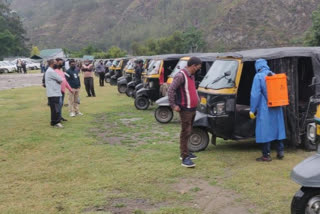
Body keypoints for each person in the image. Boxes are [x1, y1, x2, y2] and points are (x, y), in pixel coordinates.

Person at [168, 57, 202, 168]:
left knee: (189, 131)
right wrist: (173, 105)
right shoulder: (181, 75)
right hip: (185, 109)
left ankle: (186, 152)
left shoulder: (191, 75)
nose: (198, 69)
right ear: (193, 66)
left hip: (192, 109)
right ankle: (184, 158)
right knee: (185, 132)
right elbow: (171, 89)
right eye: (198, 67)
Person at [250, 59, 286, 162]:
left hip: (265, 108)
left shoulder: (258, 76)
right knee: (278, 129)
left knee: (265, 130)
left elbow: (255, 94)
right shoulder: (274, 75)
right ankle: (280, 152)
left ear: (257, 66)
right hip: (277, 106)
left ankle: (266, 155)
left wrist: (252, 109)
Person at [45, 59, 63, 128]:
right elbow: (60, 79)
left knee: (55, 108)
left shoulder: (50, 71)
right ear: (52, 64)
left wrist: (58, 81)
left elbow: (59, 80)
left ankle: (54, 122)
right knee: (55, 109)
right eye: (55, 63)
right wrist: (58, 81)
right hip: (53, 93)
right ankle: (55, 122)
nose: (57, 64)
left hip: (54, 92)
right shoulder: (51, 71)